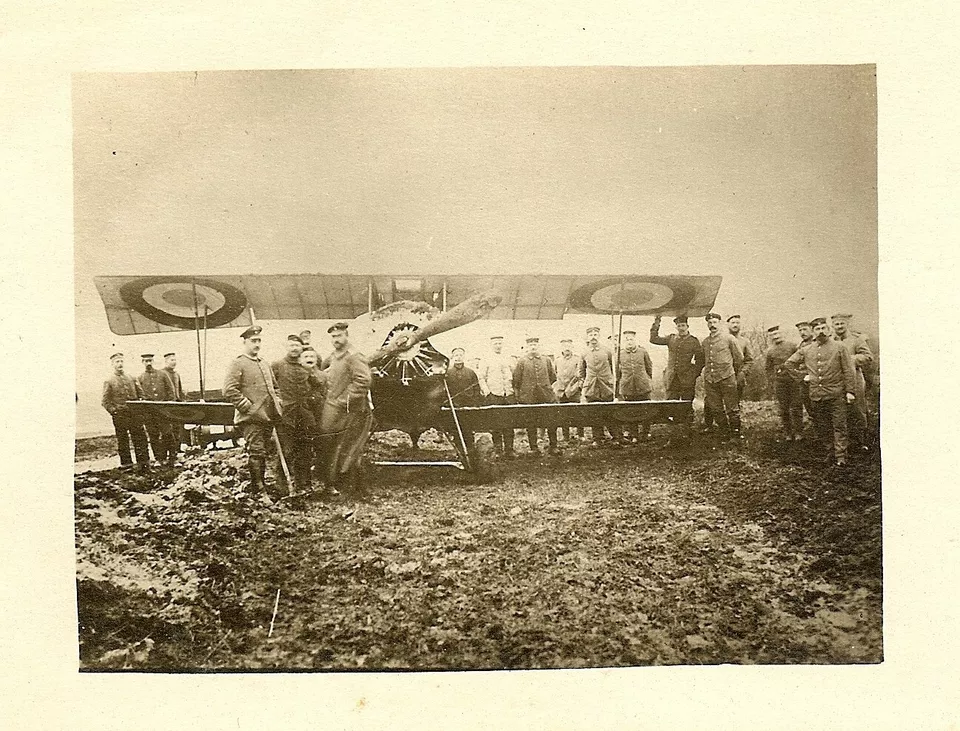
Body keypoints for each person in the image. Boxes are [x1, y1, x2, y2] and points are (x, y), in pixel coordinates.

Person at [784, 317, 856, 467]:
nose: (821, 331)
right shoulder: (806, 349)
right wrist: (802, 376)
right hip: (817, 394)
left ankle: (841, 456)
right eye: (817, 329)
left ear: (829, 330)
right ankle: (830, 452)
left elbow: (849, 370)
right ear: (813, 332)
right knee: (822, 426)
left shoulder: (840, 347)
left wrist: (850, 391)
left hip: (836, 393)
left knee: (839, 425)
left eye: (823, 328)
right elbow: (789, 364)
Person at [223, 325, 282, 495]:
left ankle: (264, 486)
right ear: (244, 342)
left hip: (267, 416)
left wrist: (278, 401)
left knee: (263, 452)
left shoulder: (264, 363)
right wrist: (247, 407)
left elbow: (275, 387)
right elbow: (229, 389)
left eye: (259, 341)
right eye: (253, 341)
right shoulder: (238, 363)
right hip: (251, 418)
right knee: (256, 452)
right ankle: (259, 489)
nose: (257, 344)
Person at [319, 322, 373, 496]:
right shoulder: (334, 357)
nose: (336, 339)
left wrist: (344, 401)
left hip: (346, 410)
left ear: (346, 336)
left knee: (347, 447)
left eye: (339, 335)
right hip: (332, 408)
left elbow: (363, 381)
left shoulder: (354, 356)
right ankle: (332, 482)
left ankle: (350, 486)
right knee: (329, 444)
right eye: (333, 337)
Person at [271, 334, 316, 496]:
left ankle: (304, 485)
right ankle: (282, 487)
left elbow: (318, 385)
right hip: (286, 416)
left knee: (305, 451)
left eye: (297, 346)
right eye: (291, 345)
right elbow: (270, 387)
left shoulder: (307, 365)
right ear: (286, 347)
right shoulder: (277, 365)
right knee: (286, 451)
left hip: (304, 415)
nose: (294, 348)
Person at [650, 314, 703, 439]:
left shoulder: (693, 341)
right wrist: (657, 321)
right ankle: (672, 434)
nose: (681, 328)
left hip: (687, 379)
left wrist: (694, 373)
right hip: (672, 378)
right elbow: (654, 339)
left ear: (687, 326)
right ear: (676, 327)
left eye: (683, 325)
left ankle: (688, 432)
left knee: (686, 404)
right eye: (679, 326)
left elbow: (700, 360)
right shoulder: (671, 338)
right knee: (671, 404)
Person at [831, 313, 875, 451]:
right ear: (832, 326)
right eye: (836, 324)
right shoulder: (831, 341)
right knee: (840, 411)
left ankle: (861, 441)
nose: (839, 326)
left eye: (842, 323)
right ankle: (844, 442)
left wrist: (850, 359)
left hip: (855, 378)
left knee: (857, 409)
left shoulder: (857, 340)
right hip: (837, 381)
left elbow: (868, 357)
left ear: (847, 324)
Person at [101, 352, 150, 472]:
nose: (120, 364)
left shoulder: (132, 378)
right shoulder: (109, 381)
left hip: (134, 414)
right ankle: (127, 465)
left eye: (121, 361)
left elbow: (141, 394)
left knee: (140, 438)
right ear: (112, 364)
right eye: (117, 362)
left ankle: (144, 464)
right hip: (120, 415)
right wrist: (115, 411)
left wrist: (140, 409)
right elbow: (105, 401)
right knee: (123, 440)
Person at [299, 347, 336, 496]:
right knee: (305, 454)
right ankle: (306, 486)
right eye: (306, 356)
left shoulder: (323, 376)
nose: (309, 358)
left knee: (326, 453)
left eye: (312, 356)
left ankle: (329, 485)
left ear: (316, 359)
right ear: (300, 360)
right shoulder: (297, 376)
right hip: (304, 419)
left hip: (322, 418)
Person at [512, 336, 559, 455]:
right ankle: (534, 448)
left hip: (546, 397)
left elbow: (552, 377)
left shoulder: (546, 360)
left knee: (550, 421)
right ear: (527, 347)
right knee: (531, 423)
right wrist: (521, 396)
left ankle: (553, 446)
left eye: (535, 345)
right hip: (529, 398)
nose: (533, 347)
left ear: (539, 346)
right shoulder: (522, 361)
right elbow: (516, 380)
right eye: (530, 345)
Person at [701, 313, 744, 438]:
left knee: (732, 407)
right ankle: (724, 431)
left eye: (715, 322)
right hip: (710, 379)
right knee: (716, 408)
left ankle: (736, 433)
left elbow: (739, 358)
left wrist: (730, 372)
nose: (712, 325)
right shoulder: (705, 342)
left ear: (719, 323)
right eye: (710, 323)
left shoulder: (729, 339)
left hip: (727, 377)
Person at [477, 335, 516, 458]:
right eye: (496, 344)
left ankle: (509, 450)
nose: (498, 346)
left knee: (509, 423)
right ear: (491, 345)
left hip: (507, 394)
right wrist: (487, 392)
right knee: (496, 424)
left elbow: (513, 375)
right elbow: (481, 377)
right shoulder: (486, 359)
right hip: (494, 394)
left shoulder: (508, 358)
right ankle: (498, 450)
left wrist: (511, 390)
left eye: (500, 343)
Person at [763, 325, 803, 441]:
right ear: (770, 337)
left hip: (794, 381)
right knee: (783, 408)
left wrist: (798, 375)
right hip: (780, 383)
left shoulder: (792, 346)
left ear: (782, 334)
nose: (776, 337)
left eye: (777, 334)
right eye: (773, 335)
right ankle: (788, 432)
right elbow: (768, 368)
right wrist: (772, 380)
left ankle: (799, 432)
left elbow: (801, 360)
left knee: (796, 406)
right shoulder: (770, 351)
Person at [579, 325, 617, 445]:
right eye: (591, 335)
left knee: (610, 412)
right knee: (594, 413)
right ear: (587, 337)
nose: (593, 337)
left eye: (595, 335)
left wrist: (610, 381)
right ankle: (598, 438)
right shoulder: (584, 353)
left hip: (606, 386)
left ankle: (616, 437)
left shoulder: (607, 351)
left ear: (599, 336)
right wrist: (586, 383)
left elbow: (613, 368)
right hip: (592, 387)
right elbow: (581, 371)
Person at [136, 353, 176, 463]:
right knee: (154, 436)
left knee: (167, 433)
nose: (148, 363)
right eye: (146, 361)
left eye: (150, 361)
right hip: (150, 412)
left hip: (163, 410)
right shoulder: (140, 378)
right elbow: (140, 395)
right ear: (142, 363)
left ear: (153, 361)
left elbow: (171, 391)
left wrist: (169, 406)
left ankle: (173, 457)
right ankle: (159, 459)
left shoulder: (162, 374)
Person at [616, 330, 654, 441]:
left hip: (643, 385)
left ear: (635, 340)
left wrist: (646, 379)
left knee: (646, 409)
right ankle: (634, 434)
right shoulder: (620, 354)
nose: (629, 341)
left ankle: (646, 432)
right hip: (628, 387)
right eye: (626, 339)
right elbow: (618, 372)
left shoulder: (642, 351)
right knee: (630, 411)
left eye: (631, 339)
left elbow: (649, 367)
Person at [445, 347, 483, 455]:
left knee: (468, 429)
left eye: (460, 355)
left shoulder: (470, 372)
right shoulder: (448, 373)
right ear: (452, 357)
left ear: (464, 357)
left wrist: (475, 402)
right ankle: (460, 452)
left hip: (468, 405)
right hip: (455, 406)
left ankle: (470, 451)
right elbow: (445, 390)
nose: (458, 357)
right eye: (456, 355)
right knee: (457, 430)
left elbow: (476, 388)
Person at [553, 337, 583, 442]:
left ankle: (580, 435)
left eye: (569, 346)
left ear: (572, 347)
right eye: (564, 346)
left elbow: (581, 375)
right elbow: (555, 375)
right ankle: (566, 436)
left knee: (577, 413)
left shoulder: (577, 359)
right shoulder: (557, 360)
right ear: (561, 348)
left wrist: (577, 387)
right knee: (563, 414)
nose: (567, 348)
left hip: (574, 391)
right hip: (561, 392)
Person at [161, 352, 185, 461]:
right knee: (167, 431)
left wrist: (181, 401)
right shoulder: (162, 374)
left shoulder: (176, 374)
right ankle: (167, 453)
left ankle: (176, 450)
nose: (174, 362)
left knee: (177, 429)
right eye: (171, 360)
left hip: (176, 405)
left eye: (175, 360)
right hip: (167, 406)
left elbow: (179, 389)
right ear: (166, 361)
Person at [726, 315, 755, 402]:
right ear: (728, 325)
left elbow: (749, 360)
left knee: (735, 401)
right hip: (723, 375)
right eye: (733, 323)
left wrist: (742, 373)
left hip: (737, 375)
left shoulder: (745, 341)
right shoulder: (722, 339)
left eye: (737, 323)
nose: (735, 325)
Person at [794, 321, 816, 420]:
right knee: (809, 406)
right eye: (800, 330)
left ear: (811, 330)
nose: (802, 332)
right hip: (804, 380)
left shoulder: (817, 343)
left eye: (805, 329)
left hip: (816, 379)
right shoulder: (800, 345)